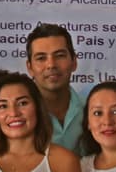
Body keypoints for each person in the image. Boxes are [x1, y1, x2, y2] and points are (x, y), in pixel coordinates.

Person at [25, 23, 85, 154]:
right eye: (41, 58)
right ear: (30, 68)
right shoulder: (15, 114)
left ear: (74, 62)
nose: (51, 65)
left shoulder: (91, 109)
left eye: (59, 55)